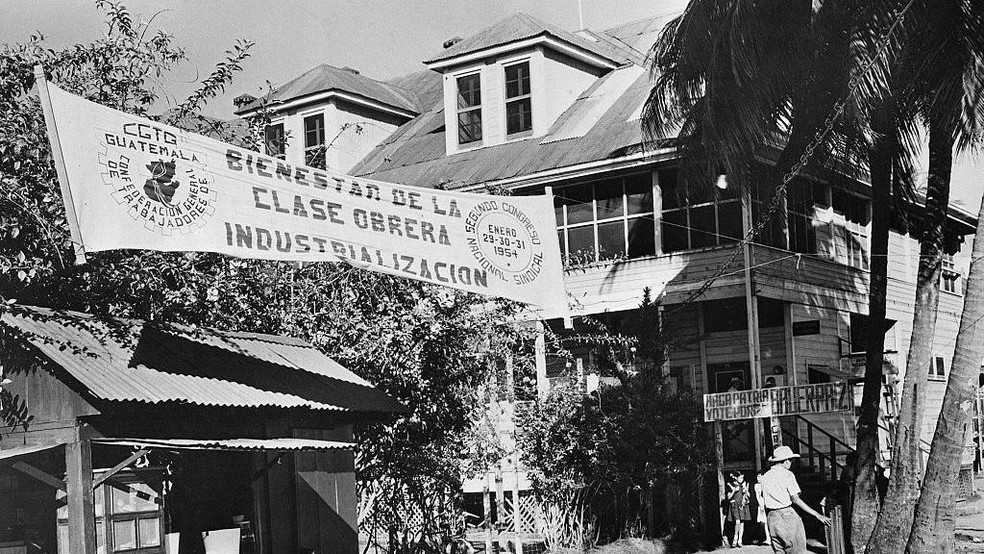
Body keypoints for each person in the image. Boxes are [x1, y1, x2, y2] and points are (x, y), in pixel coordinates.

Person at [759, 446, 831, 554]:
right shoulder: (787, 475)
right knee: (797, 550)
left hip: (771, 517)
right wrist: (817, 514)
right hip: (787, 515)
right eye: (791, 460)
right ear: (786, 461)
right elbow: (795, 499)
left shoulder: (765, 476)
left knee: (779, 550)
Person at [726, 471, 751, 547]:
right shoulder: (731, 485)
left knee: (742, 523)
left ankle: (740, 540)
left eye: (742, 478)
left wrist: (746, 490)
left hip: (742, 505)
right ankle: (735, 539)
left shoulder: (742, 485)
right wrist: (733, 490)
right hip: (735, 505)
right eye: (740, 478)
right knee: (737, 522)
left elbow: (749, 496)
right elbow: (728, 497)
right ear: (736, 478)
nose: (741, 479)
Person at [755, 470, 772, 545]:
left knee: (769, 522)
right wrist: (761, 505)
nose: (758, 478)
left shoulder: (767, 484)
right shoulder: (756, 485)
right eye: (757, 476)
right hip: (761, 504)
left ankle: (772, 538)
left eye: (760, 476)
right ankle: (767, 538)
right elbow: (757, 496)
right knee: (763, 523)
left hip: (768, 504)